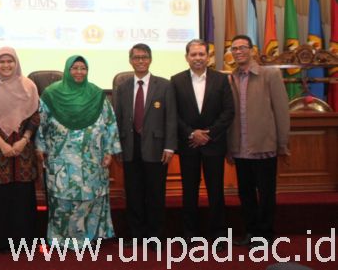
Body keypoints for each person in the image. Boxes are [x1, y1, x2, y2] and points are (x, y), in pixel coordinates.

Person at [35, 55, 121, 249]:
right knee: (62, 199)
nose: (79, 72)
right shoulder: (51, 94)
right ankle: (61, 239)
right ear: (67, 70)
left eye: (83, 68)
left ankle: (89, 238)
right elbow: (40, 123)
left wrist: (109, 150)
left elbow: (110, 123)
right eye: (75, 68)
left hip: (93, 159)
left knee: (91, 197)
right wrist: (40, 147)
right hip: (61, 159)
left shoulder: (97, 94)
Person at [227, 35, 290, 247]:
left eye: (242, 47)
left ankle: (265, 234)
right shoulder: (230, 78)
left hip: (264, 145)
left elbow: (281, 110)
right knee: (245, 194)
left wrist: (282, 143)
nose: (238, 52)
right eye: (234, 49)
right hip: (240, 147)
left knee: (266, 193)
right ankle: (251, 232)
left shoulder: (270, 74)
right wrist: (229, 147)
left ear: (252, 50)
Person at [0, 47, 40, 251]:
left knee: (22, 196)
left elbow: (35, 116)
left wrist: (24, 140)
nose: (6, 65)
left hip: (22, 151)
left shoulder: (28, 86)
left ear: (16, 62)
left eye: (10, 61)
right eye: (1, 62)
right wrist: (1, 143)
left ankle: (23, 242)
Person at [171, 39, 234, 245]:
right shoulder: (176, 80)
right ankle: (190, 234)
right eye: (193, 54)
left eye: (201, 54)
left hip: (213, 144)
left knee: (216, 191)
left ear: (208, 57)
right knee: (189, 192)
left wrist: (208, 134)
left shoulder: (221, 79)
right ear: (187, 57)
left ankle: (219, 235)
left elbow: (228, 111)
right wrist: (191, 133)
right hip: (188, 145)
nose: (197, 58)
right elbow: (173, 114)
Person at [114, 43, 176, 245]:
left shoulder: (164, 85)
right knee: (133, 193)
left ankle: (155, 235)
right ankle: (136, 234)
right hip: (129, 147)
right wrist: (116, 146)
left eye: (144, 57)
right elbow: (117, 118)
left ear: (150, 60)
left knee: (155, 194)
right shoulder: (122, 87)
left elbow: (171, 118)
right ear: (130, 61)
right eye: (136, 57)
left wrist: (169, 146)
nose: (140, 61)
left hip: (156, 148)